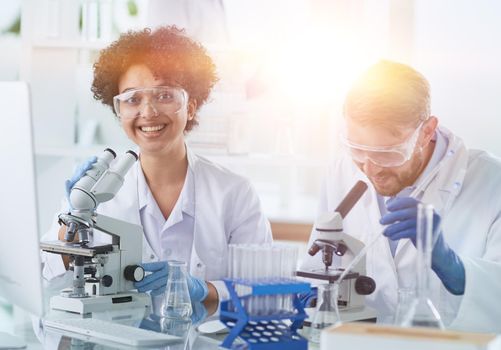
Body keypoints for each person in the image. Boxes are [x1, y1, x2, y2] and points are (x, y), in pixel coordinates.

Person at [41, 26, 272, 321]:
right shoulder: (95, 191)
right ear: (118, 110)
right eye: (132, 99)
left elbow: (263, 292)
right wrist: (72, 218)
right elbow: (50, 280)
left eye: (164, 95)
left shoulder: (234, 193)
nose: (148, 112)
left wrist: (205, 290)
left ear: (191, 106)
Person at [301, 60, 501, 332]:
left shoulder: (491, 182)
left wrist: (451, 267)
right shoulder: (341, 170)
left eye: (387, 153)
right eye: (358, 149)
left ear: (427, 131)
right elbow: (319, 268)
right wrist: (310, 296)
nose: (370, 168)